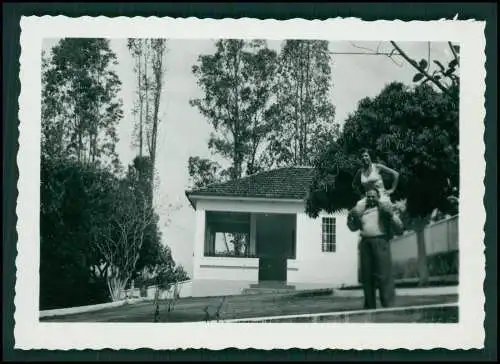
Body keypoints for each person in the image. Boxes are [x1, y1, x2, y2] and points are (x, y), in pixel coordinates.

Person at [347, 187, 404, 309]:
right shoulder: (361, 210)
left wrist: (391, 214)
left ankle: (388, 304)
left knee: (384, 274)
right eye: (369, 196)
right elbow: (353, 227)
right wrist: (350, 218)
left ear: (378, 197)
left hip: (381, 241)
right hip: (365, 243)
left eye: (373, 196)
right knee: (366, 276)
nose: (371, 199)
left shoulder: (384, 209)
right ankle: (369, 305)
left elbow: (399, 227)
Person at [352, 149, 400, 214]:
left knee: (387, 214)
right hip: (368, 198)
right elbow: (354, 184)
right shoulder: (360, 171)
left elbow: (396, 174)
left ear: (370, 156)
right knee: (357, 211)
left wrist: (392, 189)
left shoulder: (377, 167)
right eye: (362, 157)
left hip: (381, 196)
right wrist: (361, 194)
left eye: (366, 156)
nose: (364, 158)